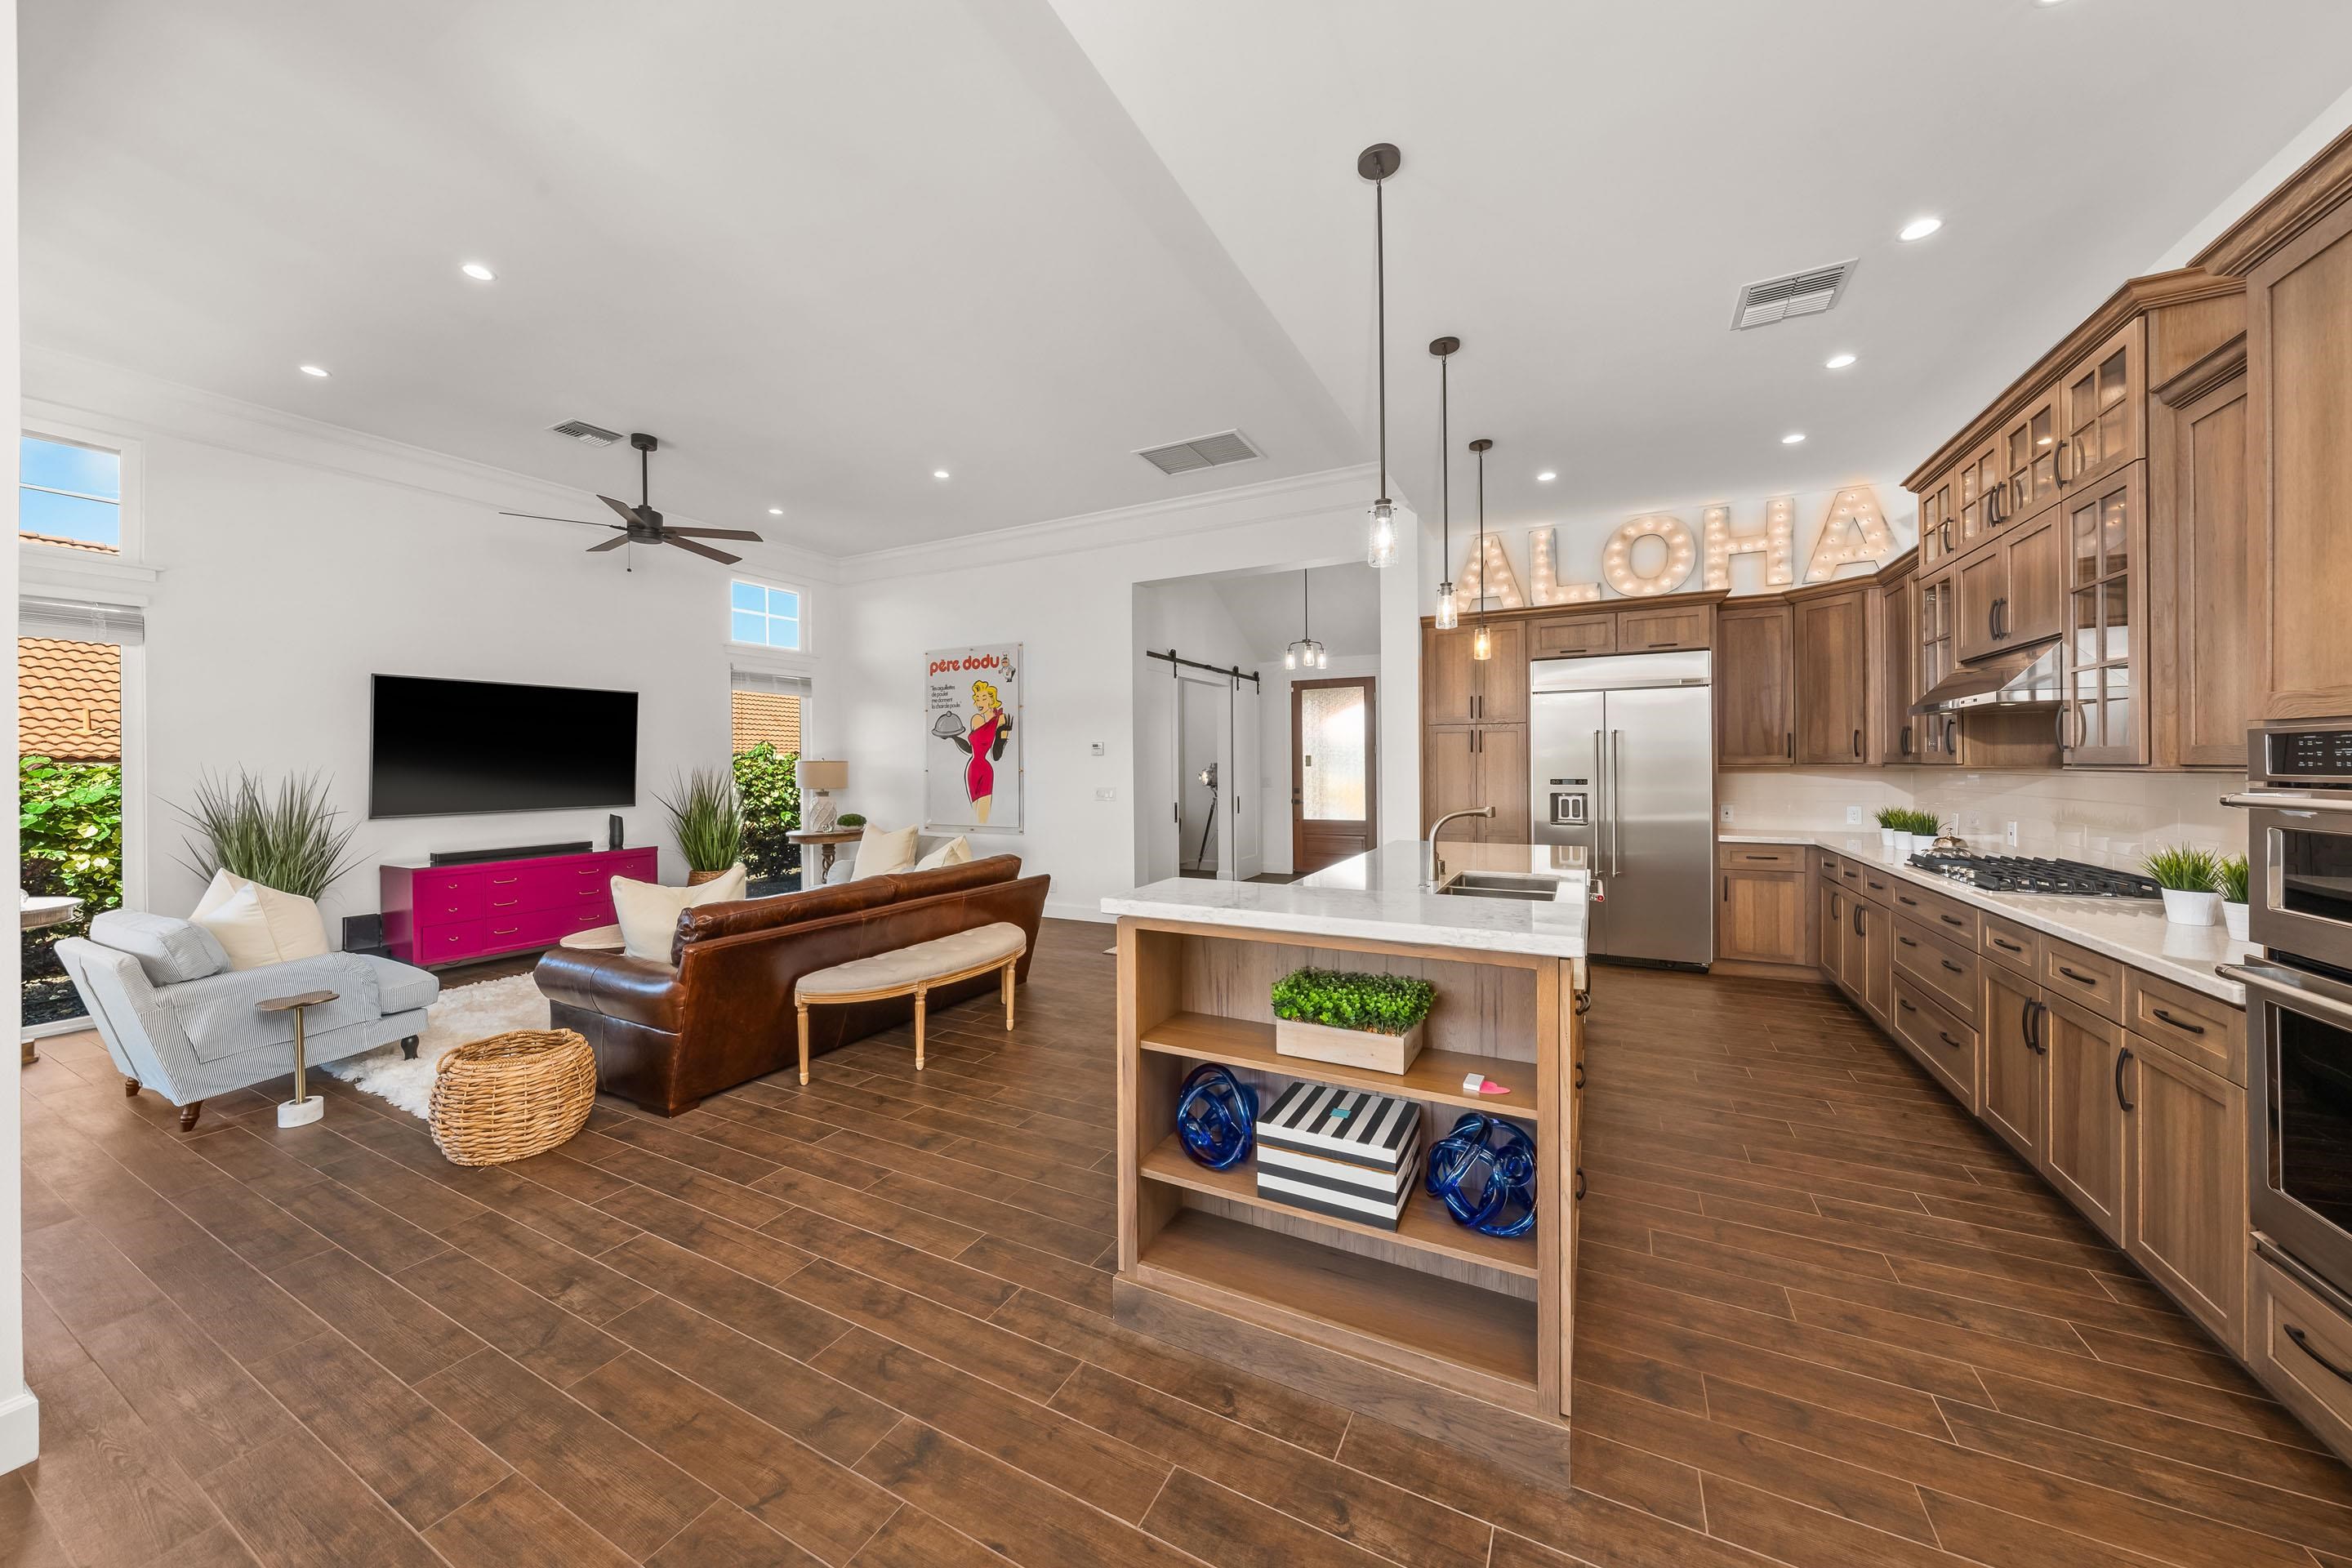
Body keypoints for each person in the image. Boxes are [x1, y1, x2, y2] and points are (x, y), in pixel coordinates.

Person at [949, 678, 1012, 824]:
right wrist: (954, 737)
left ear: (991, 700)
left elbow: (996, 756)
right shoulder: (976, 719)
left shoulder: (1000, 719)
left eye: (984, 698)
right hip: (971, 771)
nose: (979, 703)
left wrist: (1002, 735)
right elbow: (971, 749)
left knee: (982, 818)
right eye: (977, 699)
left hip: (985, 771)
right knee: (974, 818)